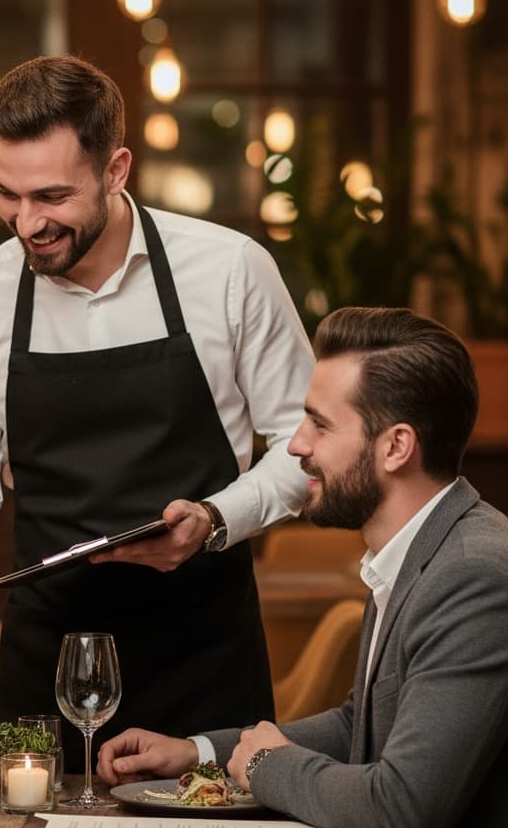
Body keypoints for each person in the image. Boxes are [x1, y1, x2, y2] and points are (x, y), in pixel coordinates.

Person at [0, 54, 315, 768]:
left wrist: (215, 519)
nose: (26, 224)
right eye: (7, 194)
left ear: (117, 170)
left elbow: (304, 448)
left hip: (205, 653)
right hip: (47, 660)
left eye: (51, 196)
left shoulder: (231, 272)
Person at [97, 306, 508, 828]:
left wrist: (269, 764)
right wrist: (198, 752)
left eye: (320, 423)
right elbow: (361, 725)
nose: (296, 445)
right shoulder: (422, 549)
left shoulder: (473, 574)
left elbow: (403, 806)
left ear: (396, 446)